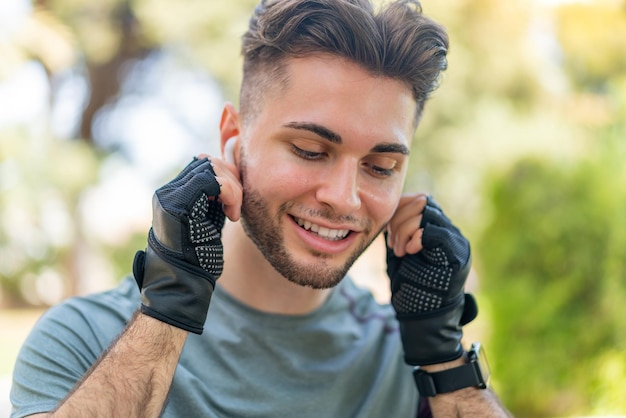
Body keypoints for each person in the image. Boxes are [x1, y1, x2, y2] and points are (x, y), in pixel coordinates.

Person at [10, 0, 512, 416]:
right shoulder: (83, 340)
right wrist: (169, 311)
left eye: (380, 165)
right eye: (310, 151)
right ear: (234, 136)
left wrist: (443, 354)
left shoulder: (407, 364)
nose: (343, 196)